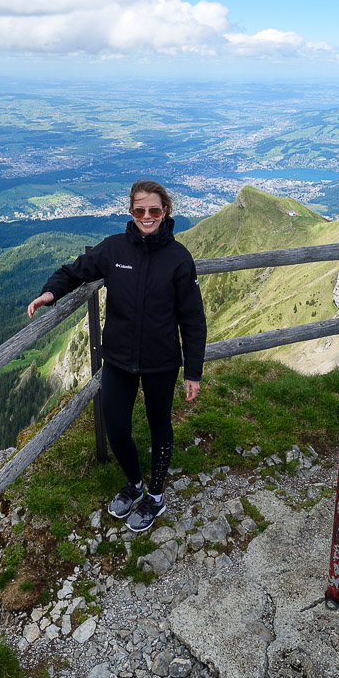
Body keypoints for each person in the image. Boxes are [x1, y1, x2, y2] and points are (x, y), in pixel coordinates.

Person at [27, 179, 207, 533]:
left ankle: (155, 496)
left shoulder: (178, 258)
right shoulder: (113, 250)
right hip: (119, 359)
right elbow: (74, 270)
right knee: (117, 426)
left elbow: (192, 319)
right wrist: (51, 293)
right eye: (139, 210)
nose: (147, 216)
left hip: (161, 361)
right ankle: (134, 483)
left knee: (160, 426)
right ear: (131, 211)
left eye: (154, 209)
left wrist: (193, 371)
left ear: (165, 211)